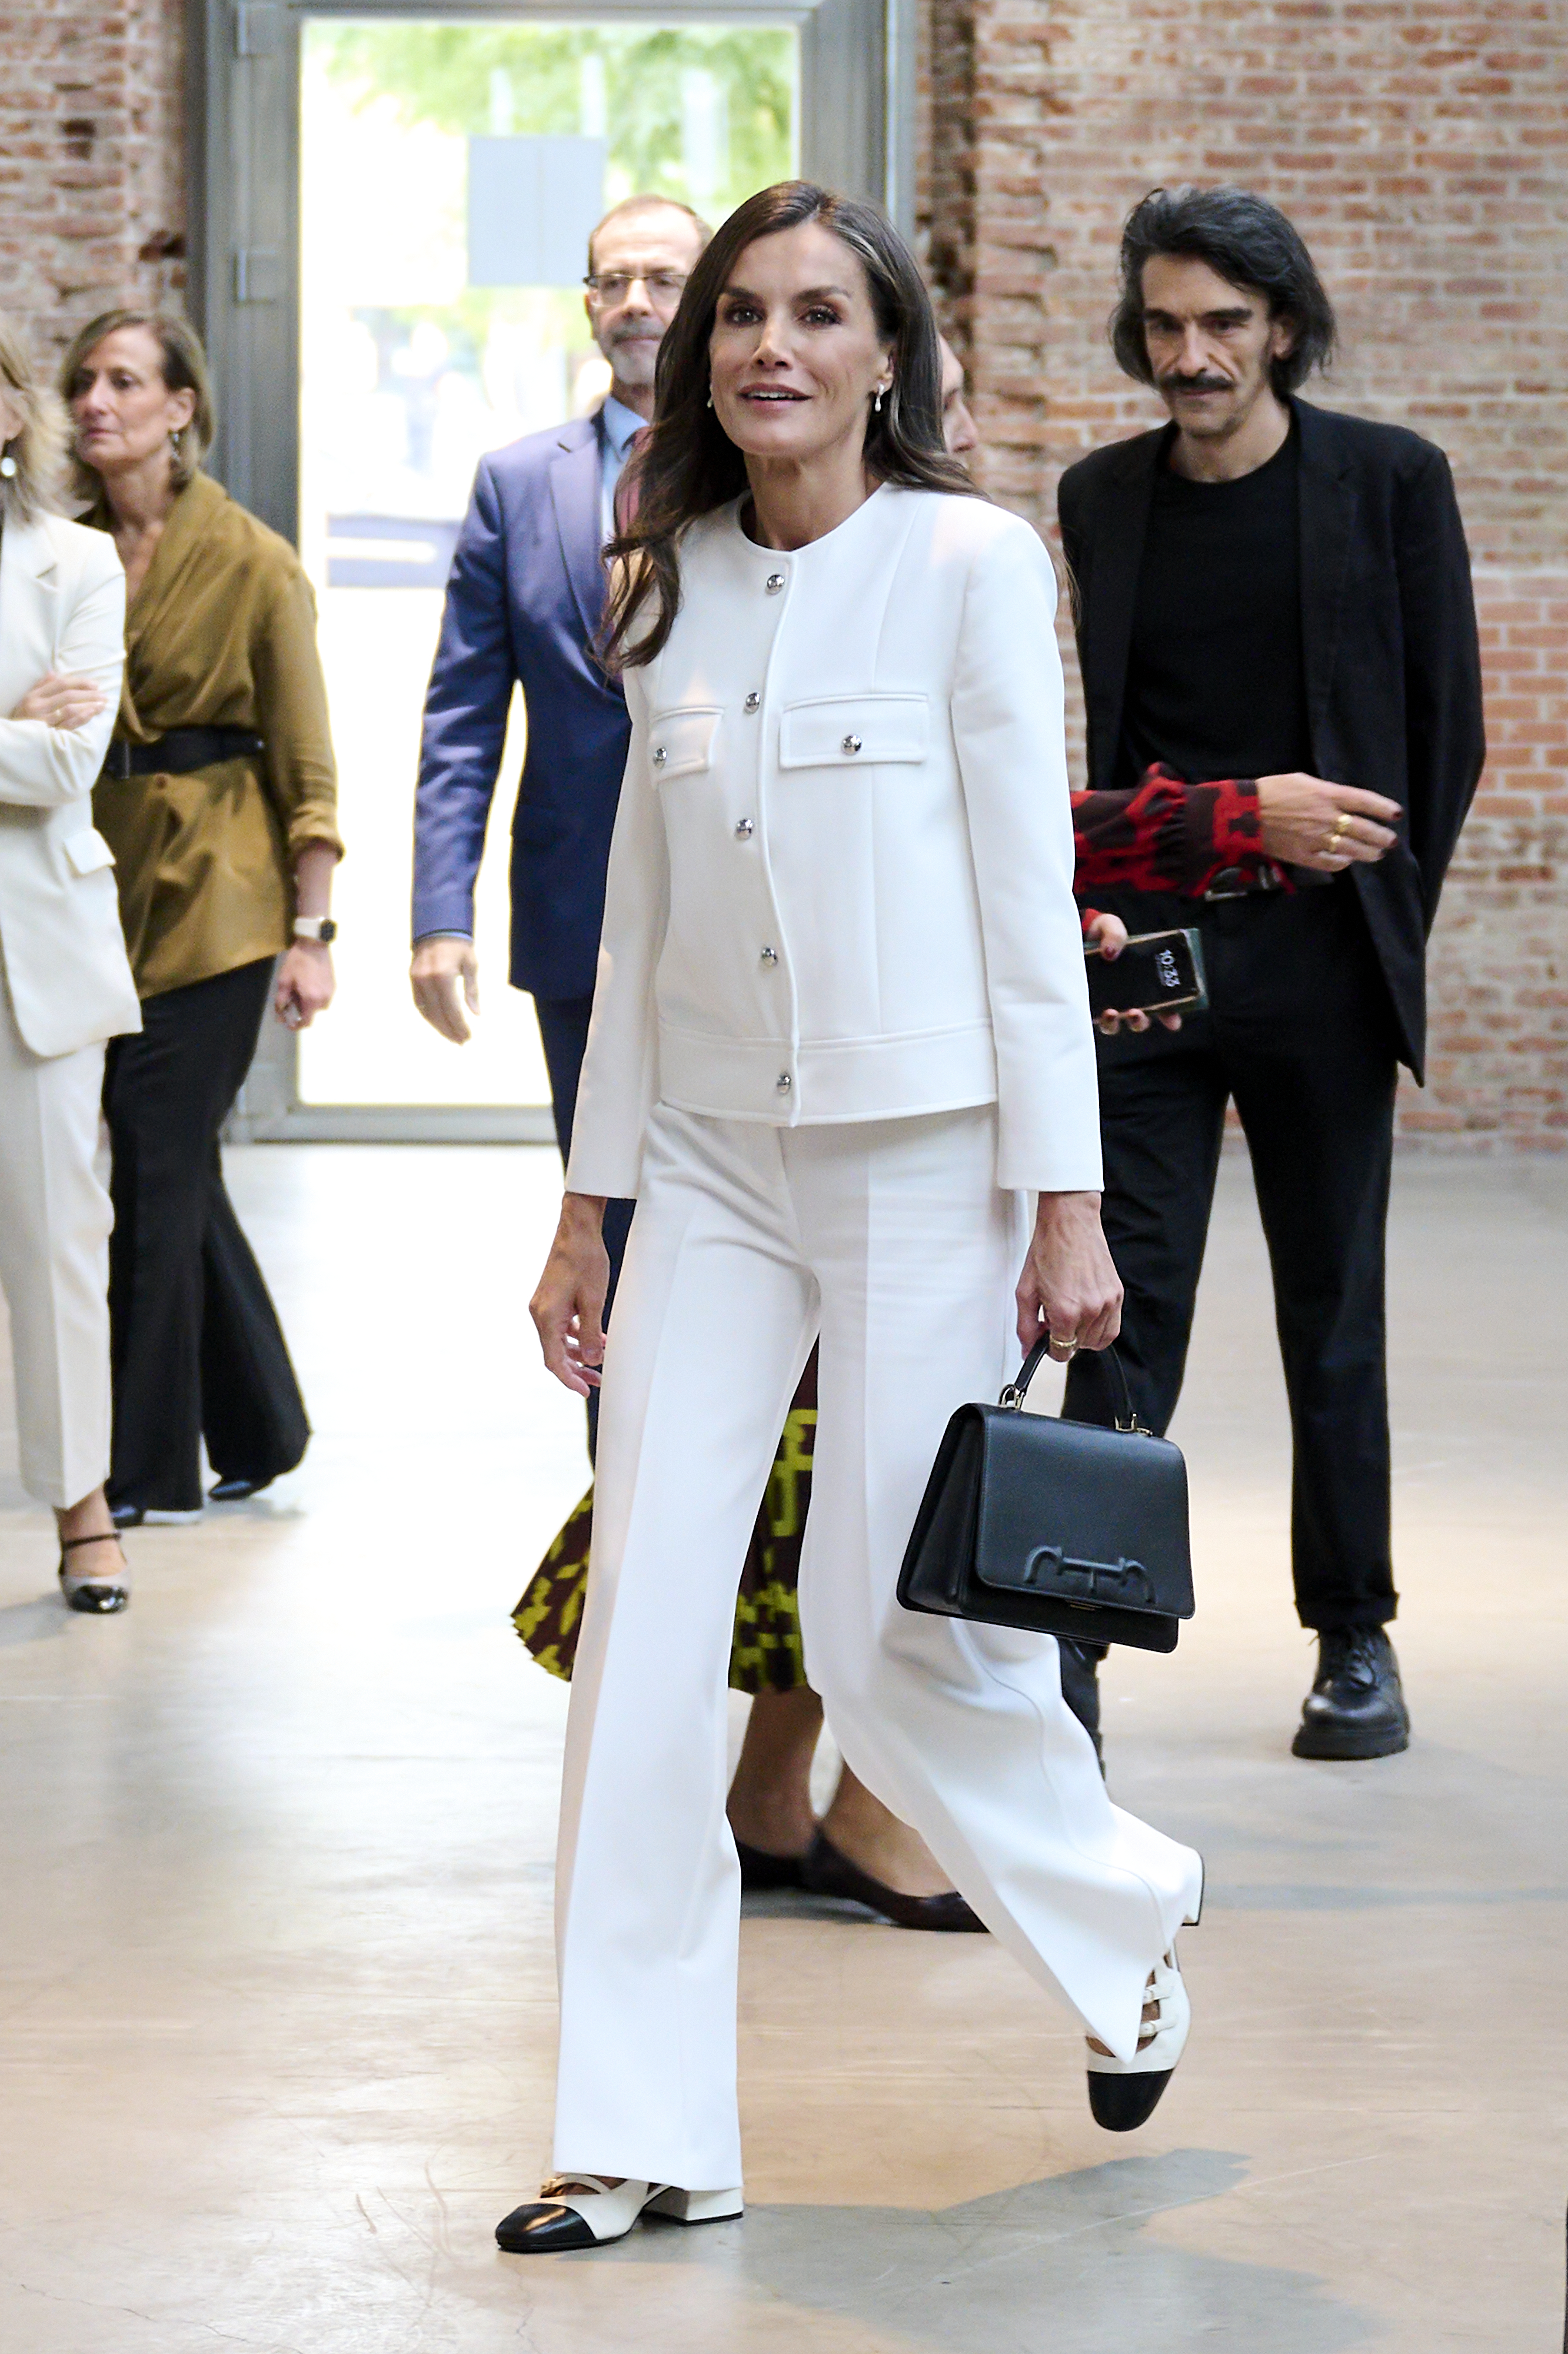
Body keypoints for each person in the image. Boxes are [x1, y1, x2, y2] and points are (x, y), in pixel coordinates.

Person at [498, 180, 1205, 2257]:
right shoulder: (670, 586)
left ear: (889, 355)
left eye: (819, 313)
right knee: (642, 1630)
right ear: (702, 357)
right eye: (741, 314)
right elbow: (640, 924)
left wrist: (1062, 1207)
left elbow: (1018, 903)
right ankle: (632, 2133)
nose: (770, 346)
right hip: (710, 1160)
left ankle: (1120, 1906)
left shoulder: (974, 567)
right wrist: (585, 1205)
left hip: (928, 1153)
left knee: (881, 1636)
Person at [1057, 185, 1485, 1761]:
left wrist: (1377, 902)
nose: (1192, 354)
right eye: (1165, 325)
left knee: (1332, 1307)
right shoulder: (1100, 497)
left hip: (1320, 960)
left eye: (1223, 325)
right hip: (1149, 956)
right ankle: (1072, 1631)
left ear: (1280, 329)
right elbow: (1111, 742)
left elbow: (1448, 733)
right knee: (1117, 1305)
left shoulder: (1387, 481)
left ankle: (1352, 1641)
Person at [410, 194, 711, 1442]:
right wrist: (439, 913)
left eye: (662, 279)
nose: (635, 302)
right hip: (579, 905)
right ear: (587, 306)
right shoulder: (515, 482)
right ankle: (623, 1512)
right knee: (604, 1217)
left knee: (734, 1220)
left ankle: (760, 1521)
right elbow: (463, 711)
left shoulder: (764, 466)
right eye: (610, 281)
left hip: (734, 903)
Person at [63, 311, 344, 1525]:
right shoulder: (54, 555)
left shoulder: (255, 561)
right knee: (182, 1172)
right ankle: (265, 1421)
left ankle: (139, 1467)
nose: (93, 401)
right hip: (92, 891)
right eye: (81, 381)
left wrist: (312, 930)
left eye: (123, 380)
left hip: (224, 900)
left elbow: (308, 760)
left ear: (182, 406)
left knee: (154, 1162)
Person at [0, 316, 138, 1611]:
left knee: (56, 1241)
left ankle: (82, 1504)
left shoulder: (77, 565)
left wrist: (21, 743)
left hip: (36, 959)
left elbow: (63, 766)